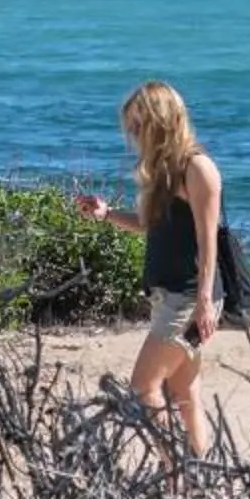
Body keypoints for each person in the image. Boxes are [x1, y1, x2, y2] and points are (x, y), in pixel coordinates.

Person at [73, 80, 221, 458]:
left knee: (143, 388)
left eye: (140, 125)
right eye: (131, 127)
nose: (134, 135)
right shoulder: (163, 171)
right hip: (167, 295)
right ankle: (195, 480)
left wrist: (204, 301)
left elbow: (209, 241)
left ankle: (176, 473)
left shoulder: (197, 167)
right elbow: (148, 225)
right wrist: (106, 215)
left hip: (189, 297)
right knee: (183, 393)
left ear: (162, 122)